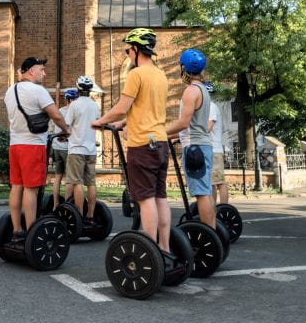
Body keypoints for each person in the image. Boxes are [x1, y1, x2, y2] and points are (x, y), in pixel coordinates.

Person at [91, 28, 171, 254]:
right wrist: (123, 124)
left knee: (145, 200)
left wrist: (101, 121)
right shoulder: (160, 75)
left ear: (136, 49)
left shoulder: (136, 74)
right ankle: (164, 247)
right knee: (160, 197)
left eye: (127, 50)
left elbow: (121, 107)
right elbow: (145, 109)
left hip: (142, 145)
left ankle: (151, 250)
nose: (127, 54)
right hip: (161, 142)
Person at [4, 57, 71, 246]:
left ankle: (17, 230)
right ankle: (32, 231)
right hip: (32, 146)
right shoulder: (37, 91)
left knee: (17, 186)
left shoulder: (10, 91)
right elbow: (56, 114)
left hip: (15, 145)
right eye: (41, 69)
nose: (44, 73)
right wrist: (66, 130)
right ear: (31, 71)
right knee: (31, 189)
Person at [165, 48, 216, 228]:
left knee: (201, 193)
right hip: (203, 146)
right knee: (206, 192)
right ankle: (213, 233)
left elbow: (183, 123)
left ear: (184, 68)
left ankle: (208, 234)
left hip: (195, 148)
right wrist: (170, 136)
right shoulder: (203, 89)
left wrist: (159, 132)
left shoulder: (190, 91)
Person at [64, 76, 100, 224]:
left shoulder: (74, 105)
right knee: (91, 183)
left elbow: (66, 125)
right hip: (91, 150)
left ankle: (78, 215)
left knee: (77, 182)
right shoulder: (94, 105)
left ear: (78, 89)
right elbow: (97, 124)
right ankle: (90, 216)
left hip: (76, 149)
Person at [50, 89, 77, 210]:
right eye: (75, 99)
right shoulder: (73, 112)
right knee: (70, 178)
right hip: (67, 149)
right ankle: (67, 206)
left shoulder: (59, 111)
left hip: (56, 147)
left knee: (58, 176)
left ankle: (55, 204)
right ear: (71, 100)